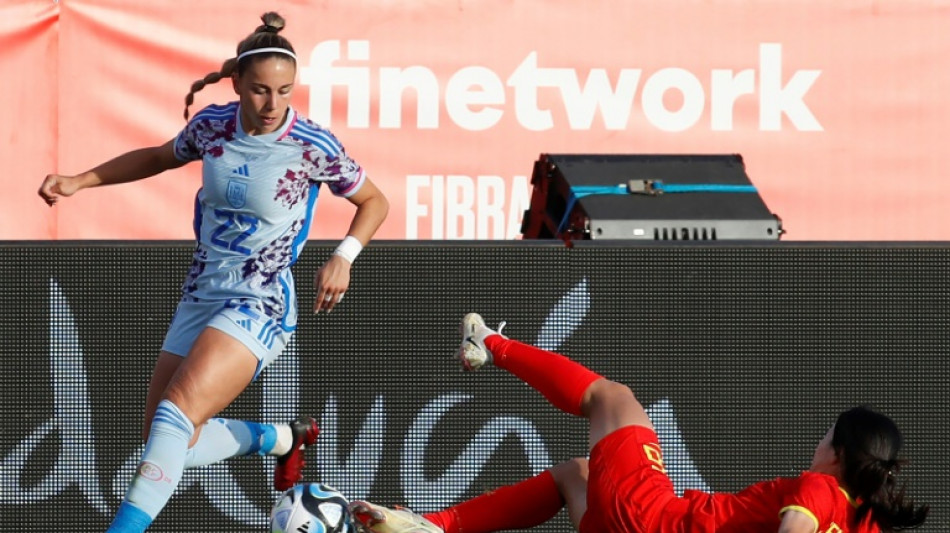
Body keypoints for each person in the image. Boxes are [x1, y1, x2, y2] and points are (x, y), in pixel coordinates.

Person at [37, 11, 389, 533]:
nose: (272, 105)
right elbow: (158, 157)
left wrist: (345, 256)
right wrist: (80, 180)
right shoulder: (213, 126)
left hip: (261, 298)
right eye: (260, 91)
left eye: (284, 91)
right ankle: (281, 438)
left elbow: (375, 201)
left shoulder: (312, 144)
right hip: (201, 292)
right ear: (237, 84)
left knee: (174, 418)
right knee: (169, 440)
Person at [348, 314, 929, 533]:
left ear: (842, 453)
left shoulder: (822, 489)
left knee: (612, 397)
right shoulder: (865, 524)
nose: (818, 442)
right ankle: (435, 529)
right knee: (574, 475)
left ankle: (489, 344)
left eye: (828, 435)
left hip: (652, 520)